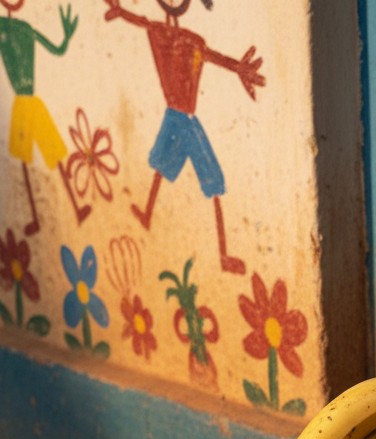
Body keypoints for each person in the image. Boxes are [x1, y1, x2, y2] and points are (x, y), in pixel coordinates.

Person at [103, 0, 265, 274]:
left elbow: (214, 57)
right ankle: (219, 252)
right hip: (181, 118)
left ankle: (217, 250)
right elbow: (142, 21)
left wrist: (239, 68)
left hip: (181, 118)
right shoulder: (168, 35)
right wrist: (120, 12)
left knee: (175, 170)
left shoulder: (186, 39)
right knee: (204, 177)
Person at [0, 0, 91, 234]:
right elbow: (58, 49)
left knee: (47, 155)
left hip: (27, 102)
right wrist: (66, 37)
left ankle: (72, 209)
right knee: (27, 162)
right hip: (25, 102)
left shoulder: (18, 28)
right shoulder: (18, 29)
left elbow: (58, 49)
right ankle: (38, 216)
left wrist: (67, 35)